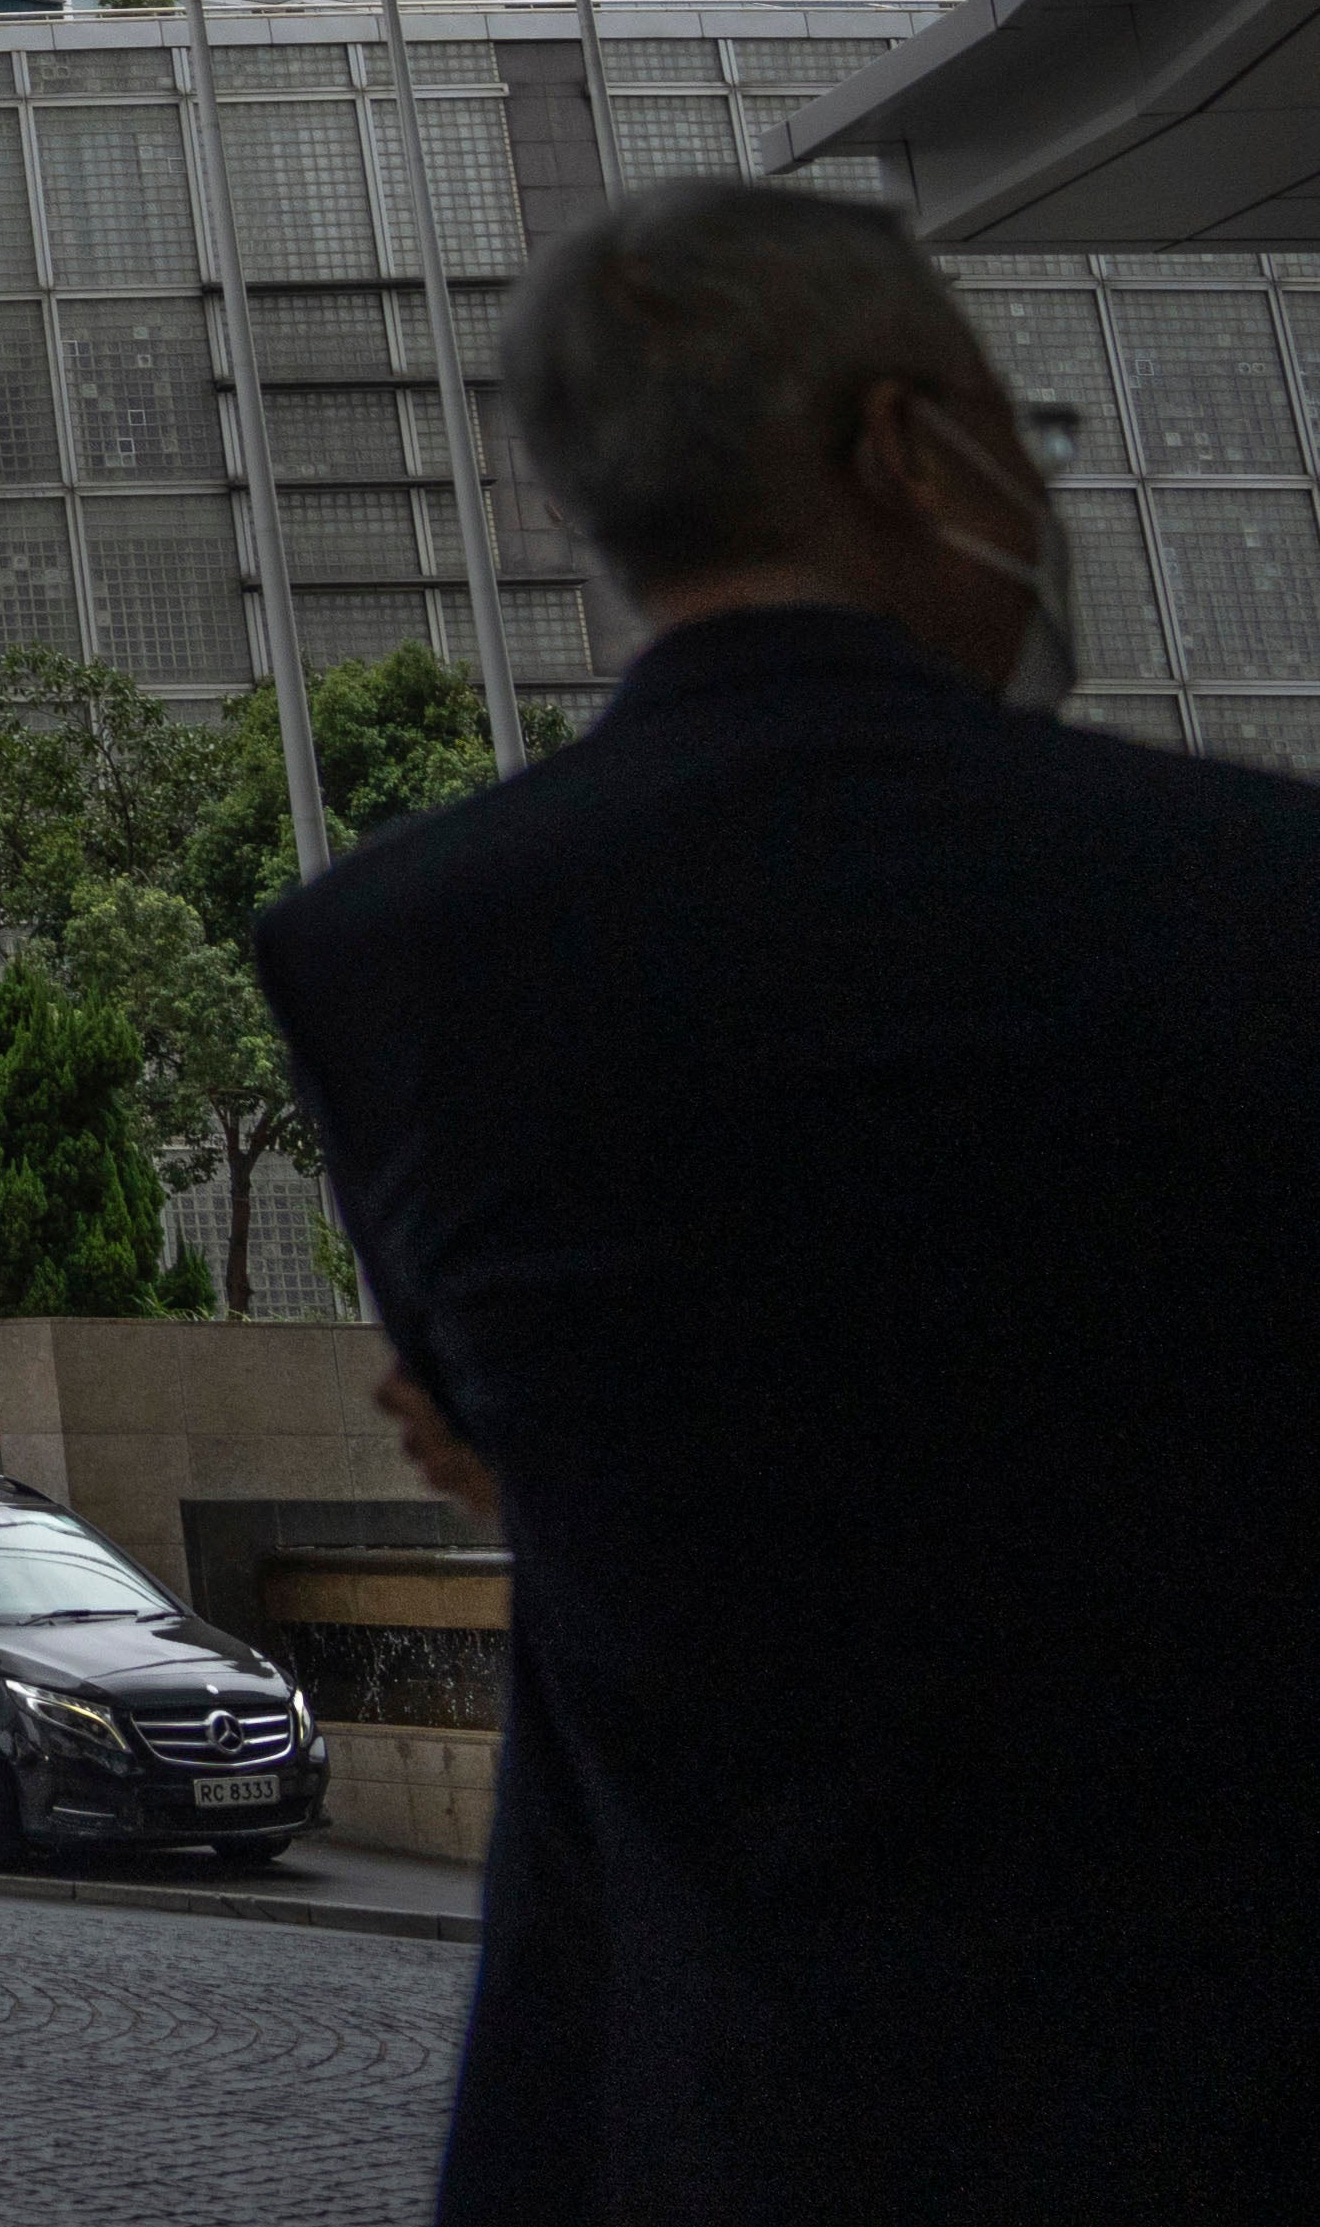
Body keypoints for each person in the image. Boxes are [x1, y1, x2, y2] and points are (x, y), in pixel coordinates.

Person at [256, 180, 1320, 2222]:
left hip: (724, 2099)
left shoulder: (389, 951)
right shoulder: (1254, 889)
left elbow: (560, 1446)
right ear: (908, 444)